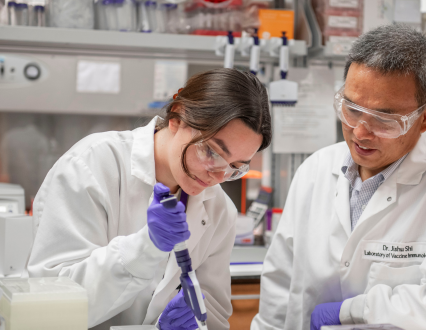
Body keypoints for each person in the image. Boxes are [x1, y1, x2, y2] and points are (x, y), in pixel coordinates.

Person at [251, 25, 426, 330]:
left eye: (384, 119)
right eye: (352, 108)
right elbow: (280, 282)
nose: (360, 132)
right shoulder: (316, 170)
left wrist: (352, 312)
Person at [27, 68, 272, 330]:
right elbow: (51, 307)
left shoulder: (220, 210)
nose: (218, 176)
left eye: (235, 167)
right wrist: (145, 248)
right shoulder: (91, 165)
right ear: (177, 118)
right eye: (212, 152)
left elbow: (212, 315)